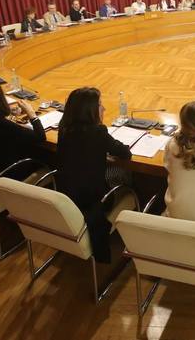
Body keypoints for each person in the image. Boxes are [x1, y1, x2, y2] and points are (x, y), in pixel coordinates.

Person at [57, 87, 133, 263]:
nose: (104, 109)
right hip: (95, 201)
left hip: (67, 198)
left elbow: (79, 151)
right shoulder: (98, 132)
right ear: (89, 110)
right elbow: (125, 153)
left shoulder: (64, 129)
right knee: (125, 175)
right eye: (100, 105)